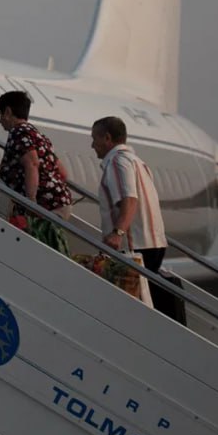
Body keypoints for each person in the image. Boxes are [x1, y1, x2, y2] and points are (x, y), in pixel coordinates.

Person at [91, 116, 180, 321]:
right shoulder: (137, 162)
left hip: (135, 245)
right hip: (153, 241)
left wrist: (117, 232)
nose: (92, 145)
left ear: (107, 138)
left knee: (132, 309)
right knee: (148, 301)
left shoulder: (117, 162)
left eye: (94, 138)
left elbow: (129, 199)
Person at [0, 90, 73, 217]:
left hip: (45, 205)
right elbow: (63, 173)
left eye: (0, 114)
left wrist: (30, 201)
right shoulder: (38, 135)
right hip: (59, 201)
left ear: (8, 112)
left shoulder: (18, 133)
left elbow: (32, 164)